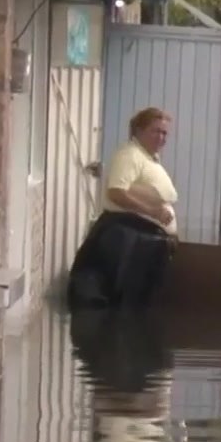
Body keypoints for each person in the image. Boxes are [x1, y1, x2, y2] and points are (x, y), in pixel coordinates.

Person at [68, 107, 180, 310]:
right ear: (138, 130)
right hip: (125, 239)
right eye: (156, 131)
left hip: (144, 242)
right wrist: (153, 212)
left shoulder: (149, 159)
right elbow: (117, 192)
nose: (161, 137)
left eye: (165, 133)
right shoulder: (130, 155)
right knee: (120, 306)